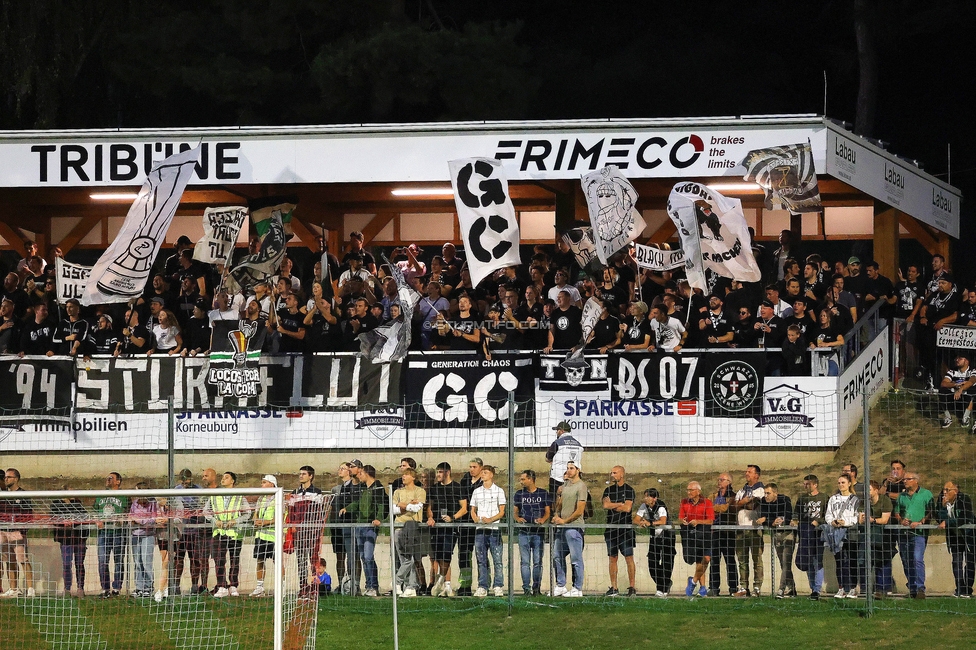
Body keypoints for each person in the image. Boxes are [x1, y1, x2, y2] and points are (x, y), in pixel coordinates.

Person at [340, 464, 386, 598]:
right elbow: (358, 503)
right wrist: (347, 508)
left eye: (360, 473)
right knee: (363, 557)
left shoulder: (377, 488)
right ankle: (369, 585)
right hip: (360, 525)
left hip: (370, 526)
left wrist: (378, 518)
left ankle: (374, 586)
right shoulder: (362, 489)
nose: (358, 476)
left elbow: (381, 505)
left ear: (366, 473)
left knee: (368, 556)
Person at [206, 471, 251, 598]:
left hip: (234, 533)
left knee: (234, 560)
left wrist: (235, 521)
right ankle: (221, 586)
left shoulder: (239, 496)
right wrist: (215, 521)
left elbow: (247, 513)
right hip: (219, 532)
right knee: (219, 559)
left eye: (226, 477)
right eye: (222, 477)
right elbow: (206, 511)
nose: (223, 479)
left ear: (232, 481)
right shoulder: (214, 494)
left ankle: (233, 585)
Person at [427, 462, 467, 598]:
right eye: (437, 472)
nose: (437, 475)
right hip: (436, 527)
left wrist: (453, 517)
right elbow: (429, 507)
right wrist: (430, 517)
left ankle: (441, 580)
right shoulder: (434, 488)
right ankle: (444, 583)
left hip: (450, 528)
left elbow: (464, 508)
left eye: (440, 472)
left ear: (447, 472)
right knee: (437, 557)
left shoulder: (457, 488)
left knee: (446, 555)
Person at [897, 472, 935, 599]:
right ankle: (912, 587)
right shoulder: (901, 496)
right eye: (904, 479)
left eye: (908, 479)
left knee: (917, 558)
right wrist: (902, 520)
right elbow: (896, 512)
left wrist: (921, 522)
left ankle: (920, 588)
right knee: (906, 560)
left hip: (919, 533)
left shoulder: (926, 494)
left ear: (916, 481)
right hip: (904, 534)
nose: (905, 481)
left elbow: (931, 511)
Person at [470, 465, 506, 597]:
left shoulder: (499, 491)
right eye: (482, 473)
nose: (483, 474)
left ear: (492, 475)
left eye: (485, 472)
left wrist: (490, 519)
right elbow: (472, 509)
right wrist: (475, 518)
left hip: (493, 529)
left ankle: (498, 585)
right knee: (481, 559)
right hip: (480, 529)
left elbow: (502, 511)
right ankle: (482, 585)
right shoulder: (477, 491)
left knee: (497, 559)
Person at [551, 461, 587, 598]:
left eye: (572, 468)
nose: (569, 471)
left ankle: (577, 587)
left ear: (578, 470)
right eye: (567, 468)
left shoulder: (581, 486)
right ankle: (561, 585)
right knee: (557, 555)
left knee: (575, 558)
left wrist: (565, 521)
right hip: (562, 526)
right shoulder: (565, 486)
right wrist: (556, 516)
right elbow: (559, 506)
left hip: (573, 527)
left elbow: (579, 510)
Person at [512, 469, 550, 596]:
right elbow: (515, 511)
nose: (521, 481)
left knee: (538, 561)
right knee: (525, 562)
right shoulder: (519, 494)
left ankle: (536, 587)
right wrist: (517, 518)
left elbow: (547, 511)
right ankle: (526, 588)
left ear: (531, 479)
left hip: (538, 532)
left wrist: (543, 519)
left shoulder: (543, 493)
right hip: (524, 532)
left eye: (523, 479)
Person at [602, 466, 636, 597]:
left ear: (622, 474)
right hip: (611, 529)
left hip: (625, 529)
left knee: (629, 558)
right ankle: (614, 587)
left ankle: (632, 586)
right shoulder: (608, 490)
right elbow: (605, 505)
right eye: (611, 472)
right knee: (612, 558)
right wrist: (619, 504)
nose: (612, 475)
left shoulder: (629, 490)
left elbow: (627, 508)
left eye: (615, 473)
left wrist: (615, 505)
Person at [793, 474, 828, 600]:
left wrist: (819, 521)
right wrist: (795, 520)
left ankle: (817, 589)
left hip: (818, 534)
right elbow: (796, 513)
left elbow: (828, 515)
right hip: (805, 533)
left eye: (808, 484)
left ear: (815, 484)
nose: (805, 486)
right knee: (807, 560)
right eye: (804, 484)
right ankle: (812, 587)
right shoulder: (802, 499)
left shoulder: (824, 497)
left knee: (817, 560)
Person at [0, 469, 35, 598]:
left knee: (23, 559)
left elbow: (28, 514)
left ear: (16, 479)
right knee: (8, 560)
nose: (6, 479)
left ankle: (30, 588)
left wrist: (23, 531)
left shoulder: (23, 494)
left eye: (9, 477)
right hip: (4, 531)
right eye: (5, 477)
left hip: (17, 531)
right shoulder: (3, 495)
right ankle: (14, 588)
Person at [937, 481, 975, 598]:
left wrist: (948, 522)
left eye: (948, 490)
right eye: (944, 489)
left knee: (970, 562)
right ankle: (959, 588)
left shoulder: (964, 499)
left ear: (956, 491)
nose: (945, 492)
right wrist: (944, 507)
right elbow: (938, 516)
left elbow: (964, 517)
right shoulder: (941, 499)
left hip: (969, 535)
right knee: (956, 562)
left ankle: (967, 589)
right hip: (954, 536)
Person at [757, 482, 795, 598]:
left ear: (775, 493)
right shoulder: (763, 502)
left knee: (786, 561)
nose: (766, 495)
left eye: (768, 493)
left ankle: (781, 589)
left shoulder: (784, 500)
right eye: (765, 493)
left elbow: (787, 516)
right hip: (776, 533)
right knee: (782, 563)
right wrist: (771, 521)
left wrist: (769, 519)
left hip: (788, 533)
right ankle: (792, 588)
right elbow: (763, 518)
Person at [634, 488, 674, 598]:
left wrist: (650, 523)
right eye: (645, 496)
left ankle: (662, 588)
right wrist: (641, 522)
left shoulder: (660, 506)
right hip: (654, 537)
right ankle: (663, 584)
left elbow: (663, 521)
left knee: (666, 562)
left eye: (648, 496)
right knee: (652, 563)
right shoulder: (644, 506)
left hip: (667, 536)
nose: (645, 498)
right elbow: (636, 519)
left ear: (654, 498)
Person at [290, 465, 326, 589]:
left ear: (311, 476)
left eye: (304, 474)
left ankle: (314, 585)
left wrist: (316, 529)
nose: (301, 476)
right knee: (301, 559)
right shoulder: (295, 493)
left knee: (313, 559)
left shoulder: (317, 492)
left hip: (312, 531)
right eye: (300, 474)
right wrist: (293, 525)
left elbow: (318, 512)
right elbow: (291, 511)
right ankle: (303, 586)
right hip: (299, 532)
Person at [392, 468, 426, 597]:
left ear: (413, 477)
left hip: (412, 527)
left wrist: (403, 505)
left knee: (411, 558)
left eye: (406, 475)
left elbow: (417, 508)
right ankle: (408, 586)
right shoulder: (397, 492)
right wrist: (408, 505)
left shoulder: (420, 491)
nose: (403, 477)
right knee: (403, 559)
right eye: (403, 475)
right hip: (398, 527)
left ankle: (403, 583)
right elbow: (394, 510)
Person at [94, 472, 128, 598]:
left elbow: (127, 511)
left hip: (118, 532)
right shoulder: (100, 495)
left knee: (118, 560)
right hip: (103, 533)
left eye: (111, 478)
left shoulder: (123, 496)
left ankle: (117, 588)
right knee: (102, 560)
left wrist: (121, 519)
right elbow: (95, 510)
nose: (107, 480)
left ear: (118, 481)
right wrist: (97, 519)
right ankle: (105, 588)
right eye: (107, 478)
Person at [825, 474, 860, 599]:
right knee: (839, 561)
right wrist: (833, 522)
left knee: (851, 561)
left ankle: (852, 588)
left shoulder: (855, 499)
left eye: (843, 482)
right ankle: (841, 588)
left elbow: (856, 516)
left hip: (850, 533)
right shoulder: (833, 499)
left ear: (849, 483)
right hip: (836, 533)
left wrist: (845, 522)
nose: (840, 485)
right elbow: (828, 515)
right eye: (839, 482)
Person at [733, 465, 765, 597]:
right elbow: (733, 506)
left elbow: (753, 505)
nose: (746, 474)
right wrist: (743, 502)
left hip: (754, 529)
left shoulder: (761, 489)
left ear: (756, 475)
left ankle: (757, 587)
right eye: (746, 471)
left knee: (756, 559)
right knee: (742, 559)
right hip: (740, 529)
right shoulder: (742, 490)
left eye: (749, 472)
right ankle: (743, 586)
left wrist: (742, 503)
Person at [678, 481, 713, 598]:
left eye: (691, 490)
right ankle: (702, 588)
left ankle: (692, 581)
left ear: (698, 491)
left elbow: (710, 520)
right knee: (698, 561)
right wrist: (683, 521)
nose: (689, 492)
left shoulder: (707, 502)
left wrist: (698, 521)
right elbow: (680, 517)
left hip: (704, 534)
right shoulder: (684, 502)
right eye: (687, 490)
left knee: (706, 559)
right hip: (691, 535)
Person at [861, 480, 895, 599]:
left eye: (869, 489)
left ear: (876, 490)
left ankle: (883, 588)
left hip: (883, 536)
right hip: (868, 536)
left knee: (883, 562)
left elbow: (884, 519)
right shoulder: (863, 502)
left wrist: (872, 520)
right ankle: (866, 589)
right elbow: (860, 518)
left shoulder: (884, 500)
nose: (866, 492)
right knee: (867, 562)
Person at [174, 468, 205, 595]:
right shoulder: (176, 490)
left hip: (195, 530)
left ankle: (194, 585)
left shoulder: (198, 489)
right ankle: (175, 585)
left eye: (187, 482)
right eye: (183, 482)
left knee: (195, 559)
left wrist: (196, 512)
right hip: (181, 530)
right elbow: (172, 507)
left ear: (191, 479)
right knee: (178, 559)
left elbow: (203, 506)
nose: (185, 484)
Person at [51, 493, 89, 597]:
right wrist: (63, 522)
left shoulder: (78, 504)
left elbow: (85, 517)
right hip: (65, 539)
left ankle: (80, 588)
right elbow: (53, 519)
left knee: (79, 564)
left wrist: (75, 521)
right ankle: (67, 588)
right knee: (67, 564)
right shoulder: (56, 505)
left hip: (79, 539)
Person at [455, 458, 484, 596]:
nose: (471, 469)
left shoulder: (485, 482)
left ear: (480, 468)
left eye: (474, 466)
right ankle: (465, 584)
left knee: (481, 555)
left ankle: (482, 585)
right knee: (464, 554)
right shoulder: (464, 481)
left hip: (479, 523)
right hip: (465, 523)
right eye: (470, 466)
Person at [708, 473, 739, 597]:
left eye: (722, 480)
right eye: (719, 479)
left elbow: (726, 508)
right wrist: (714, 508)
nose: (719, 482)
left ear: (728, 482)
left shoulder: (733, 496)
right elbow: (707, 506)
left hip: (728, 532)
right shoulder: (713, 496)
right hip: (714, 532)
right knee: (714, 561)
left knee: (730, 560)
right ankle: (714, 587)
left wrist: (714, 508)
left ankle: (733, 586)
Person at [250, 475, 279, 598]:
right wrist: (256, 521)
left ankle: (281, 586)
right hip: (261, 535)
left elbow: (280, 517)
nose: (261, 485)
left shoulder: (279, 498)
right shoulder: (261, 499)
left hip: (274, 536)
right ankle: (259, 587)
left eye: (264, 482)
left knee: (277, 562)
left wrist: (264, 522)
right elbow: (255, 514)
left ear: (272, 484)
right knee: (260, 561)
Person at [129, 483, 158, 598]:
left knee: (146, 561)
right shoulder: (134, 504)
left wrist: (139, 521)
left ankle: (148, 587)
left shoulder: (152, 503)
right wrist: (131, 520)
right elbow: (131, 516)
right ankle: (139, 587)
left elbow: (153, 519)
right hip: (135, 535)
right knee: (137, 562)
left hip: (147, 535)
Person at [153, 496, 184, 602]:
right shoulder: (157, 505)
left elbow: (179, 518)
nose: (159, 502)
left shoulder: (177, 502)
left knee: (167, 562)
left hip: (174, 537)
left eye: (161, 499)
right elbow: (153, 516)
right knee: (164, 563)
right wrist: (156, 521)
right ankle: (167, 587)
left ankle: (160, 590)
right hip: (161, 536)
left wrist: (167, 520)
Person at [939, 353, 976, 431]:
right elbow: (944, 383)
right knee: (942, 390)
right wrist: (955, 384)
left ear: (966, 361)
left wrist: (961, 389)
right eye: (956, 358)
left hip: (967, 396)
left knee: (972, 390)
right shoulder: (952, 371)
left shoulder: (972, 371)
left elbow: (972, 381)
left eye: (960, 358)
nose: (956, 360)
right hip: (954, 395)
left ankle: (965, 419)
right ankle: (948, 417)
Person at [545, 421, 584, 495]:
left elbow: (548, 458)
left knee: (555, 499)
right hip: (574, 477)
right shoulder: (579, 444)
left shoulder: (557, 442)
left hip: (557, 477)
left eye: (557, 430)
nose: (556, 432)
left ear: (561, 430)